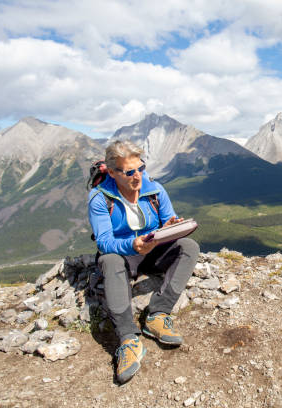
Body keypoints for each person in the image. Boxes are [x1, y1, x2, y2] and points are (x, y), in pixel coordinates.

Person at [88, 140, 199, 384]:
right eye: (129, 172)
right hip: (124, 254)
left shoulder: (155, 189)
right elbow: (104, 241)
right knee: (109, 260)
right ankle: (128, 339)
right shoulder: (99, 198)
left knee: (189, 247)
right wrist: (132, 245)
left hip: (153, 249)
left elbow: (167, 218)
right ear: (114, 172)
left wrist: (172, 226)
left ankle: (157, 315)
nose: (137, 175)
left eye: (140, 168)